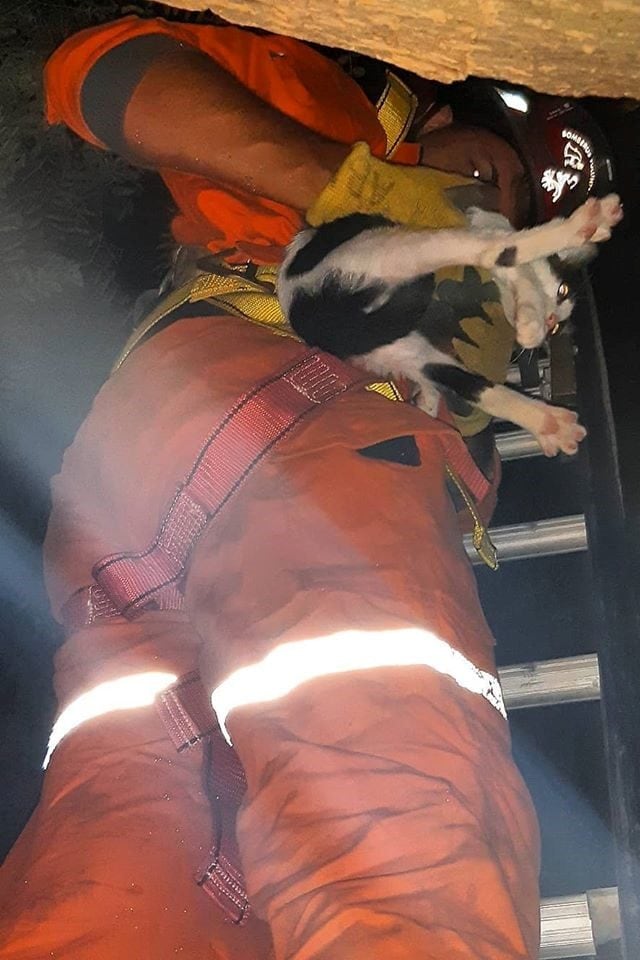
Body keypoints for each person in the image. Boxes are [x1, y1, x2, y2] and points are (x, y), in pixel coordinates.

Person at [0, 15, 541, 960]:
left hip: (150, 477)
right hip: (286, 413)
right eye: (501, 162)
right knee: (386, 769)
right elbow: (103, 72)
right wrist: (356, 184)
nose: (500, 195)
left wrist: (464, 393)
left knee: (126, 843)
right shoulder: (335, 101)